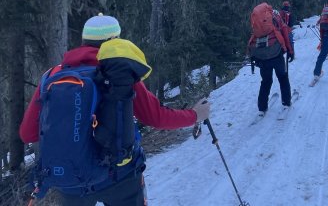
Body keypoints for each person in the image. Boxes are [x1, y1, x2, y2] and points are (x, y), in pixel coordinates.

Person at [20, 14, 210, 206]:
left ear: (84, 41)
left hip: (71, 180)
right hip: (120, 176)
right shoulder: (120, 74)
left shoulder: (53, 75)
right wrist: (194, 115)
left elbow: (27, 133)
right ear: (114, 41)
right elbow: (157, 117)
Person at [248, 3, 294, 115]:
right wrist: (290, 51)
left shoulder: (258, 20)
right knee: (283, 78)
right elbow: (285, 33)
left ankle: (262, 108)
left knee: (266, 81)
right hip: (276, 53)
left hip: (261, 55)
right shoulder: (276, 16)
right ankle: (286, 102)